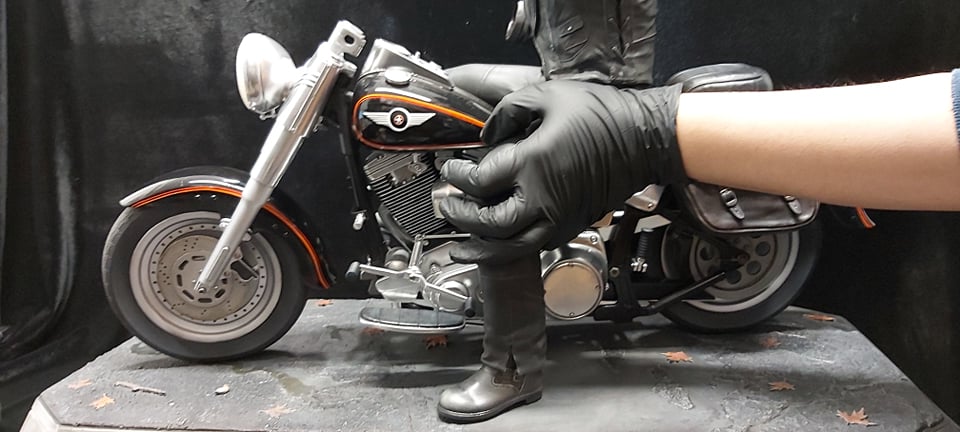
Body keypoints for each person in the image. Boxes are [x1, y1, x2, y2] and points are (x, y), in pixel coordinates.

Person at [436, 68, 960, 421]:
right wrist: (643, 127)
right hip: (582, 89)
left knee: (501, 207)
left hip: (597, 81)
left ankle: (512, 369)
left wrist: (637, 126)